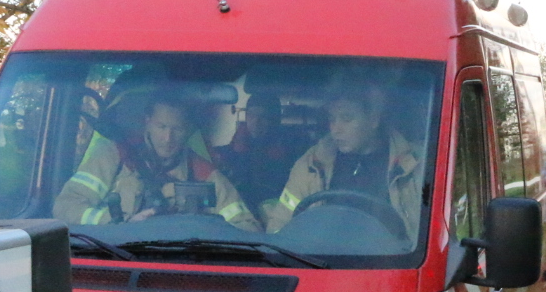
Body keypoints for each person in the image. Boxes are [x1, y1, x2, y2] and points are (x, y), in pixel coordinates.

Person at [54, 95, 261, 231]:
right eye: (161, 127)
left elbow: (249, 229)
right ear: (147, 122)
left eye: (177, 129)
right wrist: (117, 225)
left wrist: (203, 230)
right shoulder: (113, 155)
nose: (167, 138)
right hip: (114, 259)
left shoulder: (205, 174)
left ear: (188, 130)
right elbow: (65, 207)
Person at [264, 83, 423, 236]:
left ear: (374, 119)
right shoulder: (311, 164)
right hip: (318, 260)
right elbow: (280, 226)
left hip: (394, 261)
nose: (335, 129)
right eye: (332, 119)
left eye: (347, 119)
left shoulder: (415, 165)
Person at [213, 92, 302, 218]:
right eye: (251, 115)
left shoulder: (293, 156)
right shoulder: (226, 155)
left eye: (263, 116)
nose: (256, 121)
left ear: (274, 120)